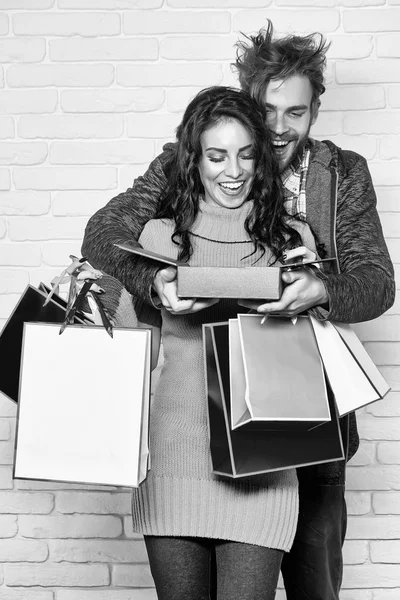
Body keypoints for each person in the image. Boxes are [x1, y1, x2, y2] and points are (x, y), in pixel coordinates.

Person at [81, 21, 395, 600]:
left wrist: (318, 288)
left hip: (300, 412)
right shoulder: (187, 165)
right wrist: (155, 282)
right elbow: (106, 234)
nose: (278, 129)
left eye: (295, 113)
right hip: (190, 427)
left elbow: (376, 285)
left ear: (316, 110)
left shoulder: (339, 174)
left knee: (313, 587)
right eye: (266, 111)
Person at [132, 85, 318, 600]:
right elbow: (135, 351)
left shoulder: (291, 242)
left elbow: (313, 362)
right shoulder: (158, 239)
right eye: (216, 156)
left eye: (245, 154)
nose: (232, 171)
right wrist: (92, 295)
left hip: (264, 467)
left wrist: (309, 300)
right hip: (175, 461)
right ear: (193, 161)